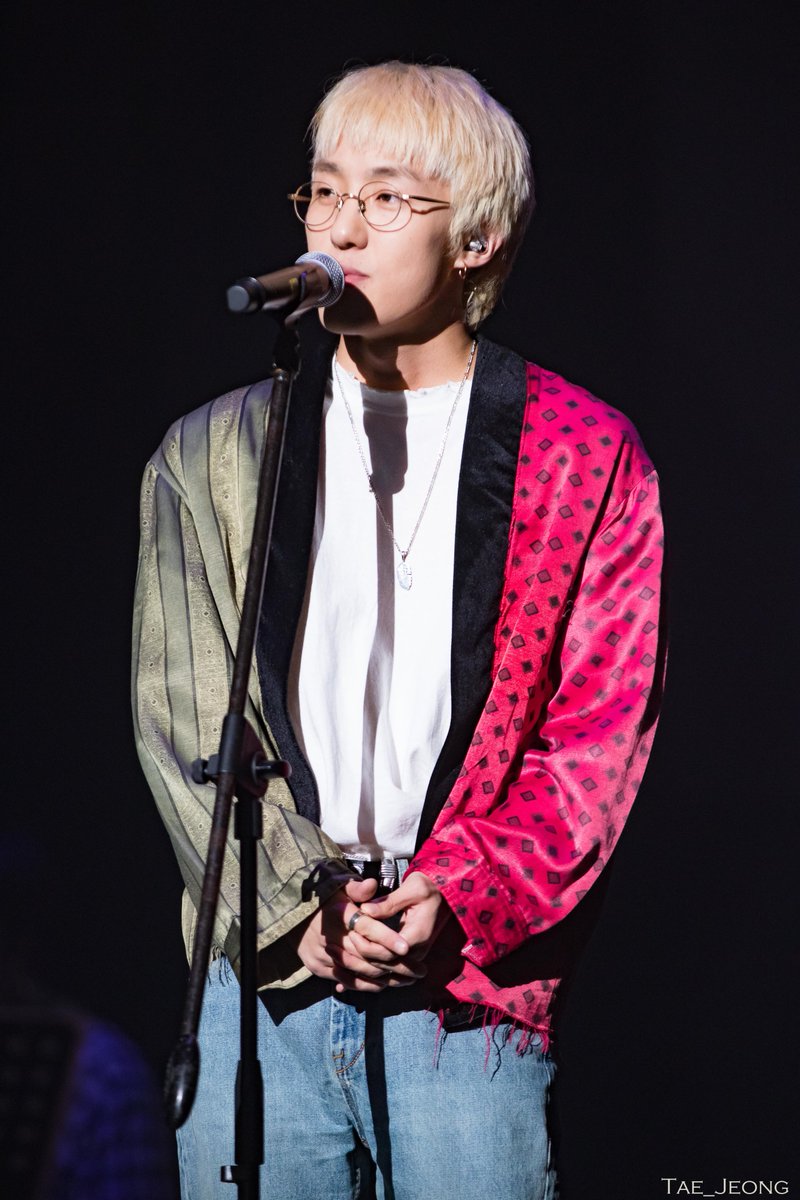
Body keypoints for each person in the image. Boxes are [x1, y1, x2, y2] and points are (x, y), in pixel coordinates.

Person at [133, 60, 665, 1200]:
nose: (341, 227)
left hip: (459, 996)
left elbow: (594, 740)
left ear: (475, 237)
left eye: (386, 198)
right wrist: (299, 911)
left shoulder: (582, 457)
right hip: (263, 986)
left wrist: (455, 895)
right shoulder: (212, 456)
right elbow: (182, 717)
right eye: (325, 193)